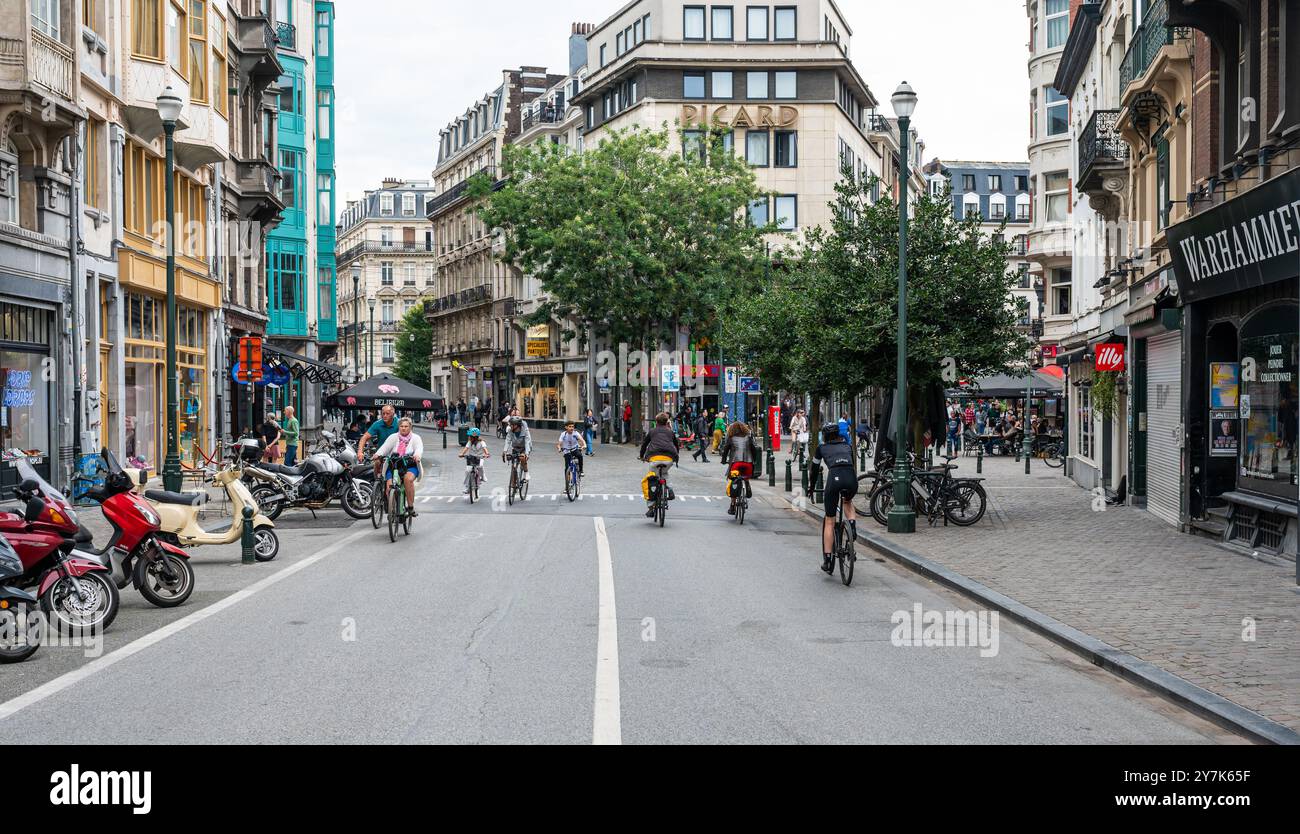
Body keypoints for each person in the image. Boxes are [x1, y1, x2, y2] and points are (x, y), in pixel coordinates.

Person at [813, 422, 858, 575]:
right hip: (851, 479)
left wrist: (811, 487)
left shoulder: (821, 448)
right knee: (847, 501)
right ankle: (852, 528)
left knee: (830, 520)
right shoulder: (847, 445)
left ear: (824, 435)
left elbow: (814, 469)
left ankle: (827, 560)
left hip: (834, 480)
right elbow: (851, 461)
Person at [375, 417, 423, 517]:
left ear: (410, 427)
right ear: (399, 427)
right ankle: (391, 508)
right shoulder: (393, 437)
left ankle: (410, 507)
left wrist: (417, 455)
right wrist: (377, 454)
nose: (403, 428)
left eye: (406, 426)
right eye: (401, 426)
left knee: (408, 479)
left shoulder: (416, 438)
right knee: (388, 486)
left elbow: (419, 448)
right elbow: (384, 448)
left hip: (410, 465)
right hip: (394, 465)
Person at [639, 412, 680, 517]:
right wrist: (676, 457)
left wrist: (642, 456)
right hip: (669, 458)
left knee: (651, 479)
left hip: (654, 458)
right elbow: (676, 444)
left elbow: (644, 444)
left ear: (656, 422)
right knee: (665, 473)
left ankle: (651, 508)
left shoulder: (652, 431)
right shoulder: (670, 432)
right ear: (667, 422)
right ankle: (669, 489)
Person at [720, 420, 758, 516]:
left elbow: (725, 450)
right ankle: (747, 484)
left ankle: (732, 505)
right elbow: (754, 449)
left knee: (734, 482)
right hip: (748, 464)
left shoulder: (731, 438)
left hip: (736, 464)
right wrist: (754, 460)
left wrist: (724, 460)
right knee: (745, 476)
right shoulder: (748, 437)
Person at [359, 404, 401, 478]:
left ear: (393, 414)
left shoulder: (399, 424)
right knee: (377, 463)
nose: (385, 415)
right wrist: (360, 452)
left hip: (395, 452)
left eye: (387, 413)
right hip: (381, 452)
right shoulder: (377, 424)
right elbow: (364, 437)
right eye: (383, 413)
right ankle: (377, 482)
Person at [459, 427, 490, 495]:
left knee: (480, 466)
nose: (469, 437)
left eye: (471, 436)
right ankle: (467, 488)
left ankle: (482, 476)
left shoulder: (482, 442)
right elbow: (466, 448)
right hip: (471, 458)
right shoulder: (469, 442)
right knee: (467, 471)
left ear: (475, 437)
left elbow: (485, 449)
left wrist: (487, 454)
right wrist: (462, 454)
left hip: (480, 457)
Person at [505, 416, 532, 482]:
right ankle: (514, 485)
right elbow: (507, 440)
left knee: (522, 458)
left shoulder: (525, 431)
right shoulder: (510, 431)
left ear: (516, 425)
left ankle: (526, 472)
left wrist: (527, 454)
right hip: (515, 448)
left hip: (524, 448)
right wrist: (505, 451)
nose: (510, 426)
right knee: (514, 467)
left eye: (511, 425)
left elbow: (527, 442)